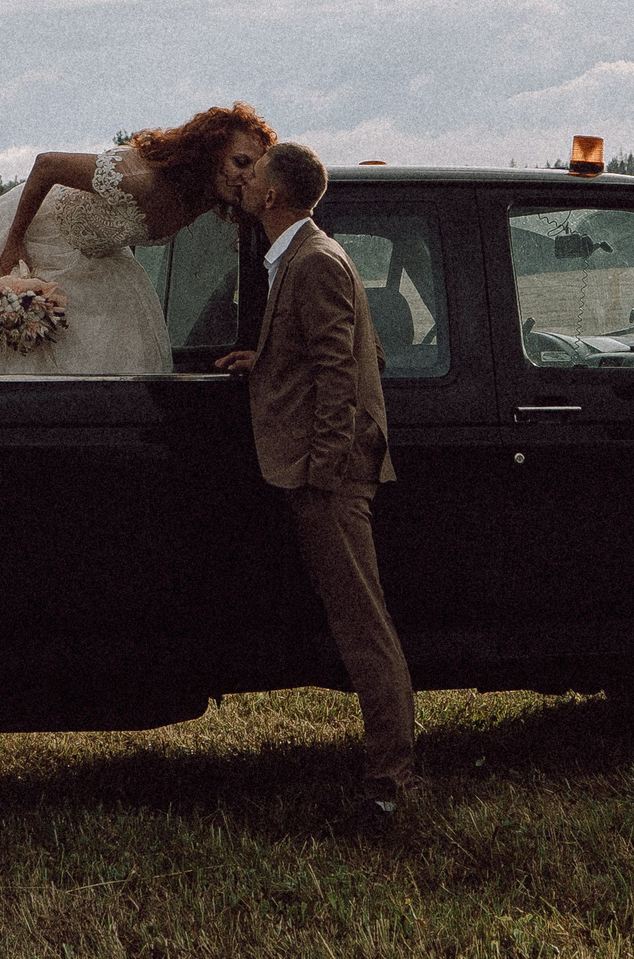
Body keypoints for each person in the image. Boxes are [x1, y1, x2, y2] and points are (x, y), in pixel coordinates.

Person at [212, 141, 418, 833]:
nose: (243, 181)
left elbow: (345, 372)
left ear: (274, 195)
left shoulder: (315, 261)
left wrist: (324, 473)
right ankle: (388, 774)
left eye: (253, 174)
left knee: (364, 629)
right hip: (320, 468)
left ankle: (388, 785)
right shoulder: (301, 255)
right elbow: (363, 349)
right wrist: (268, 360)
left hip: (328, 477)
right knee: (359, 621)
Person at [0, 104, 274, 376]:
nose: (245, 177)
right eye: (239, 162)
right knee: (19, 347)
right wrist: (14, 242)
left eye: (254, 170)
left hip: (100, 258)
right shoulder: (140, 179)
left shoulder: (204, 199)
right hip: (40, 235)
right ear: (209, 152)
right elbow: (46, 166)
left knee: (118, 351)